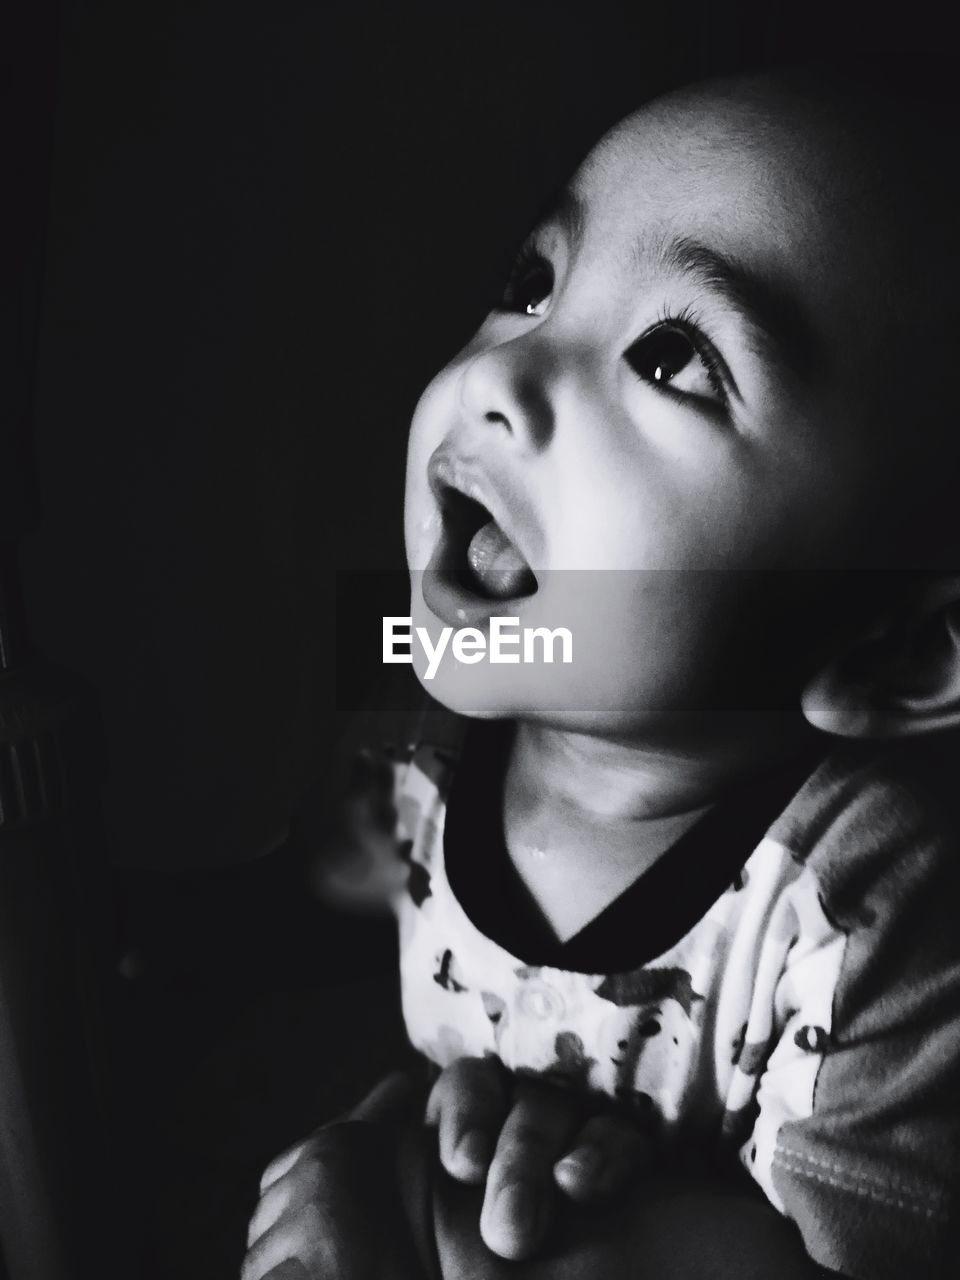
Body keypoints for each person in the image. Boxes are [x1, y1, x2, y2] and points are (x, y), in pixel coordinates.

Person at [242, 65, 960, 1279]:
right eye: (532, 286)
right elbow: (291, 930)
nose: (502, 377)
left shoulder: (857, 912)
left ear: (890, 652)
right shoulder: (419, 734)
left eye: (673, 358)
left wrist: (473, 1235)